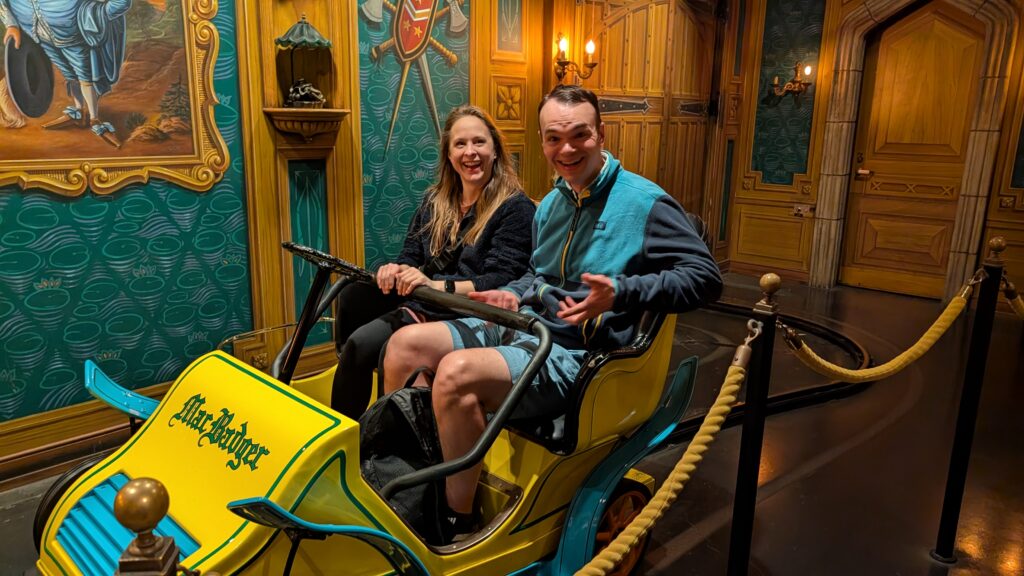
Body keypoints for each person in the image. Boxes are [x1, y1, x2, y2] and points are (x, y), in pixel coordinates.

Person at [381, 84, 723, 534]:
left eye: (579, 135)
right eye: (554, 138)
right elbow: (537, 274)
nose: (566, 149)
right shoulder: (553, 203)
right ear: (542, 141)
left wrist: (621, 291)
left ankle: (454, 520)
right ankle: (410, 483)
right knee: (405, 345)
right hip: (527, 328)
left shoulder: (645, 203)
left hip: (578, 355)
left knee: (456, 374)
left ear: (601, 134)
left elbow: (705, 277)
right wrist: (514, 293)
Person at [331, 105, 535, 420]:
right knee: (357, 340)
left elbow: (500, 278)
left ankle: (388, 438)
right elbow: (411, 256)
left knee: (384, 350)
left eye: (479, 142)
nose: (470, 152)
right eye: (460, 144)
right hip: (424, 305)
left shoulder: (514, 207)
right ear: (449, 155)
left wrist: (436, 286)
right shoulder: (434, 200)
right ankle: (343, 435)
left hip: (470, 315)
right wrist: (397, 270)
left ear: (495, 150)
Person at [1, 0, 131, 146]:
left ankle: (94, 119)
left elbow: (121, 4)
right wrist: (11, 25)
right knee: (69, 74)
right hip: (39, 35)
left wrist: (100, 13)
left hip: (72, 34)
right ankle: (79, 112)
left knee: (84, 76)